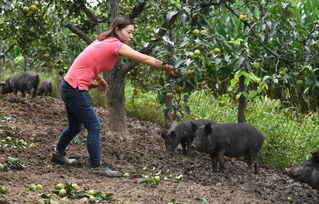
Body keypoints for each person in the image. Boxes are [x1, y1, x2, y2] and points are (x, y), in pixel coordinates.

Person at [51, 16, 177, 177]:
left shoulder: (104, 40)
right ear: (117, 30)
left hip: (69, 85)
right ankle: (97, 166)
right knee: (95, 127)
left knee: (76, 126)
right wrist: (167, 66)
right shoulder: (116, 45)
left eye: (133, 33)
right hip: (75, 88)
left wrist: (100, 79)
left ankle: (58, 155)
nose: (132, 36)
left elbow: (90, 62)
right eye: (129, 32)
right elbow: (144, 58)